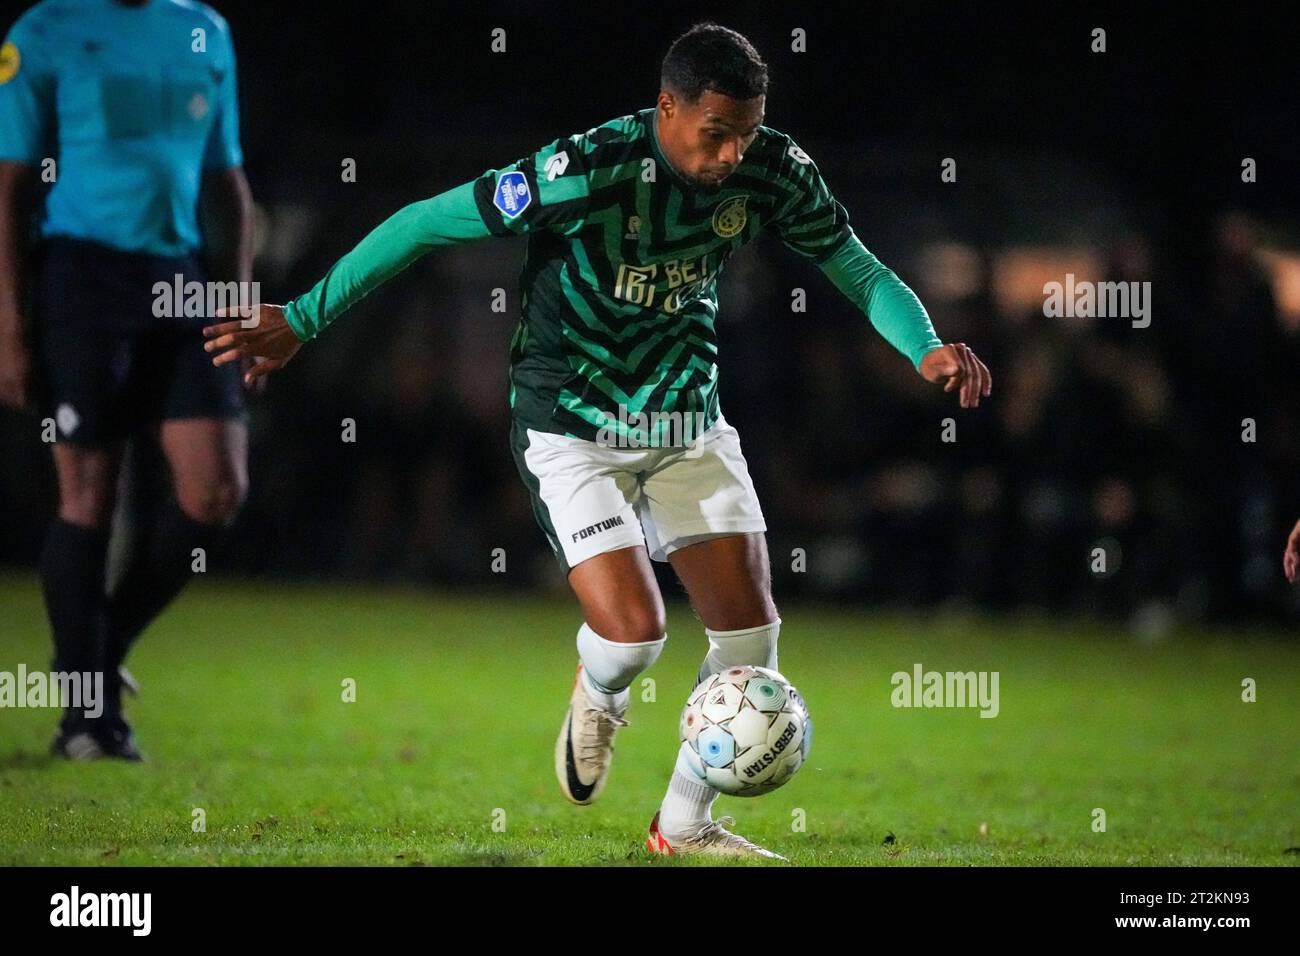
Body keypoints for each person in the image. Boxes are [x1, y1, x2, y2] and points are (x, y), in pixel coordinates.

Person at [202, 22, 991, 857]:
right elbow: (428, 222)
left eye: (746, 134)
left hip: (686, 419)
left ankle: (683, 826)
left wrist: (926, 344)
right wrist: (307, 315)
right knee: (635, 635)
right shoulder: (586, 168)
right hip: (571, 424)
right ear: (667, 108)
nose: (731, 156)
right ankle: (602, 691)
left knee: (751, 639)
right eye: (715, 134)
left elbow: (859, 268)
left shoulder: (773, 169)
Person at [0, 0, 254, 759]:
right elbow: (8, 186)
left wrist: (240, 300)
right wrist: (10, 323)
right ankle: (88, 720)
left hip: (179, 276)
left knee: (215, 492)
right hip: (80, 276)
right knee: (89, 497)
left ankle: (94, 656)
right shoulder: (43, 30)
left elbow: (227, 179)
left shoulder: (204, 27)